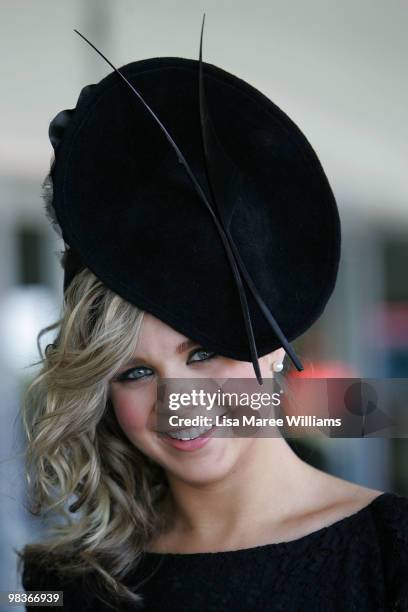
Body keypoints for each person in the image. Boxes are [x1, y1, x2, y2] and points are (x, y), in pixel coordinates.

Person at [18, 24, 407, 612]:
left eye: (200, 352)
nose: (179, 400)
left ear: (273, 345)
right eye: (133, 373)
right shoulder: (69, 582)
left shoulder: (391, 553)